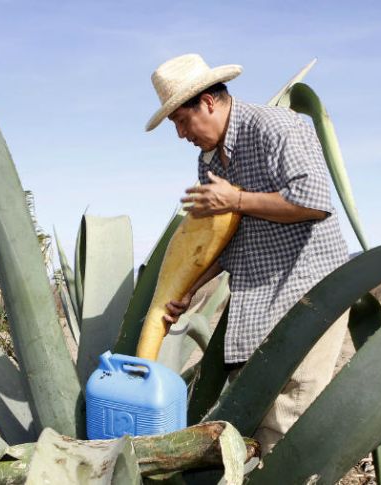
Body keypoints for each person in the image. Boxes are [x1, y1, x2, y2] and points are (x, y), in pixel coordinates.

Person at [146, 53, 351, 456]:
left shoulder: (277, 127)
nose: (181, 134)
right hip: (255, 299)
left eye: (182, 121)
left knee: (291, 414)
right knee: (253, 415)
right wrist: (189, 291)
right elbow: (220, 242)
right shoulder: (209, 163)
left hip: (308, 292)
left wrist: (236, 197)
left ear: (206, 102)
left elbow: (314, 202)